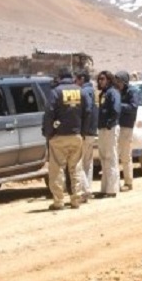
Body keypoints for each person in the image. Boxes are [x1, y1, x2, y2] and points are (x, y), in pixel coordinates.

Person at [43, 67, 91, 210]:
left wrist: (48, 133)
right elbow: (88, 111)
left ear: (60, 76)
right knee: (75, 167)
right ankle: (76, 199)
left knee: (57, 168)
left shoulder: (56, 92)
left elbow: (49, 113)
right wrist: (83, 131)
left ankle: (59, 201)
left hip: (59, 136)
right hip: (76, 136)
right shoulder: (80, 91)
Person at [96, 71, 121, 198]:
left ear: (109, 80)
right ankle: (105, 188)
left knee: (111, 157)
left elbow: (116, 110)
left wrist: (109, 124)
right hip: (102, 129)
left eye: (103, 79)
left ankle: (112, 189)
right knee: (104, 158)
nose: (100, 81)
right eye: (99, 79)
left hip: (109, 129)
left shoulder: (113, 92)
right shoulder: (103, 94)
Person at [75, 70, 98, 202]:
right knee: (88, 163)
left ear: (82, 79)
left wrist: (83, 129)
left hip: (86, 132)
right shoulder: (93, 90)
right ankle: (87, 191)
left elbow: (88, 109)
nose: (75, 82)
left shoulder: (84, 92)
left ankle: (86, 190)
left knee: (80, 163)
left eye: (76, 79)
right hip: (92, 131)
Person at [115, 70, 140, 192]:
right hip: (116, 126)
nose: (117, 83)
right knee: (114, 156)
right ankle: (116, 183)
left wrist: (118, 105)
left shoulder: (132, 91)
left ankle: (128, 182)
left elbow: (133, 106)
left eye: (119, 81)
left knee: (125, 155)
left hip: (126, 126)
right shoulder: (116, 91)